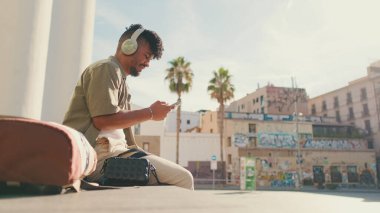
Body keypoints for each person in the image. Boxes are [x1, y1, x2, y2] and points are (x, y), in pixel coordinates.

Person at [63, 24, 194, 190]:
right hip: (100, 157)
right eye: (146, 56)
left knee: (172, 180)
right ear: (128, 46)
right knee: (183, 179)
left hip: (117, 153)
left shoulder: (122, 81)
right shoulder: (106, 68)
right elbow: (103, 121)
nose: (148, 63)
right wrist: (151, 113)